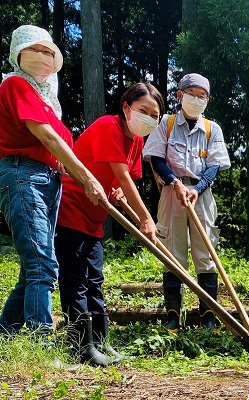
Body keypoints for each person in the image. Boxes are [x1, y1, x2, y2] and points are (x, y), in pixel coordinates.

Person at [0, 25, 106, 339]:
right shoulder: (15, 85)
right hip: (23, 175)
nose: (44, 56)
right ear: (19, 51)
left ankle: (6, 333)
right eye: (37, 48)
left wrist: (89, 178)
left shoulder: (47, 101)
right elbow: (46, 137)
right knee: (42, 263)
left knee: (34, 265)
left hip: (47, 180)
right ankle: (40, 339)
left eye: (50, 51)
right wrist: (87, 179)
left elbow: (61, 147)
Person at [55, 83, 164, 366]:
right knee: (76, 280)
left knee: (94, 279)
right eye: (144, 111)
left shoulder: (137, 141)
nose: (149, 118)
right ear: (126, 107)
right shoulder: (108, 126)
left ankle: (100, 342)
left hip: (95, 217)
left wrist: (115, 191)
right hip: (72, 208)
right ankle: (81, 347)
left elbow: (121, 179)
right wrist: (145, 218)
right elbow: (124, 176)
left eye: (155, 115)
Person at [143, 73, 230, 332]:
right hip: (172, 193)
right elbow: (156, 158)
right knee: (172, 253)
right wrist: (176, 184)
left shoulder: (212, 129)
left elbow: (214, 165)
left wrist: (198, 188)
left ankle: (208, 318)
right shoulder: (166, 124)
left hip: (201, 196)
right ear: (180, 95)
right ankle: (172, 317)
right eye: (191, 93)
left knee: (207, 255)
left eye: (201, 95)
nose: (196, 99)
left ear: (208, 100)